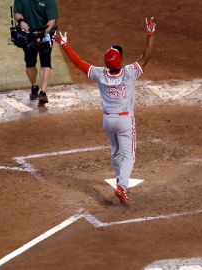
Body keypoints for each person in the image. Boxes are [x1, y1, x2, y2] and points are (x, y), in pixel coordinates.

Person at [53, 17, 156, 204]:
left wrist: (64, 44)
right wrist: (150, 34)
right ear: (121, 61)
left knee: (116, 151)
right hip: (125, 121)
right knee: (129, 154)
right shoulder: (130, 72)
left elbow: (78, 62)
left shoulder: (100, 74)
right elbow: (146, 56)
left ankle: (119, 179)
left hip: (108, 121)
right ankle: (122, 187)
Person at [13, 0, 59, 106]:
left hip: (45, 34)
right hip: (28, 35)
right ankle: (34, 86)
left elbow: (52, 20)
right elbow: (17, 12)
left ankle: (43, 92)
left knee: (45, 62)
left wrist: (42, 33)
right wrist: (21, 22)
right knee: (30, 64)